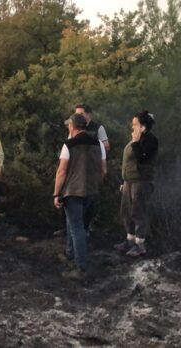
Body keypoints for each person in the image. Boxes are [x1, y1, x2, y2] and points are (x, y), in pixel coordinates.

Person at [53, 114, 106, 280]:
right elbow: (103, 170)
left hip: (73, 191)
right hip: (91, 191)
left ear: (72, 127)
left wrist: (56, 193)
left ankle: (81, 268)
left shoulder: (69, 144)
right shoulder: (98, 144)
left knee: (77, 229)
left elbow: (61, 171)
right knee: (75, 223)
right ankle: (70, 254)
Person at [114, 110, 159, 257]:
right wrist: (125, 180)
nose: (132, 127)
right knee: (126, 211)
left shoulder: (150, 140)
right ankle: (130, 240)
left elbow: (142, 158)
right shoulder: (136, 139)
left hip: (141, 181)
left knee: (138, 212)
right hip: (130, 181)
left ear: (143, 127)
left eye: (135, 124)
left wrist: (135, 142)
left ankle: (140, 245)